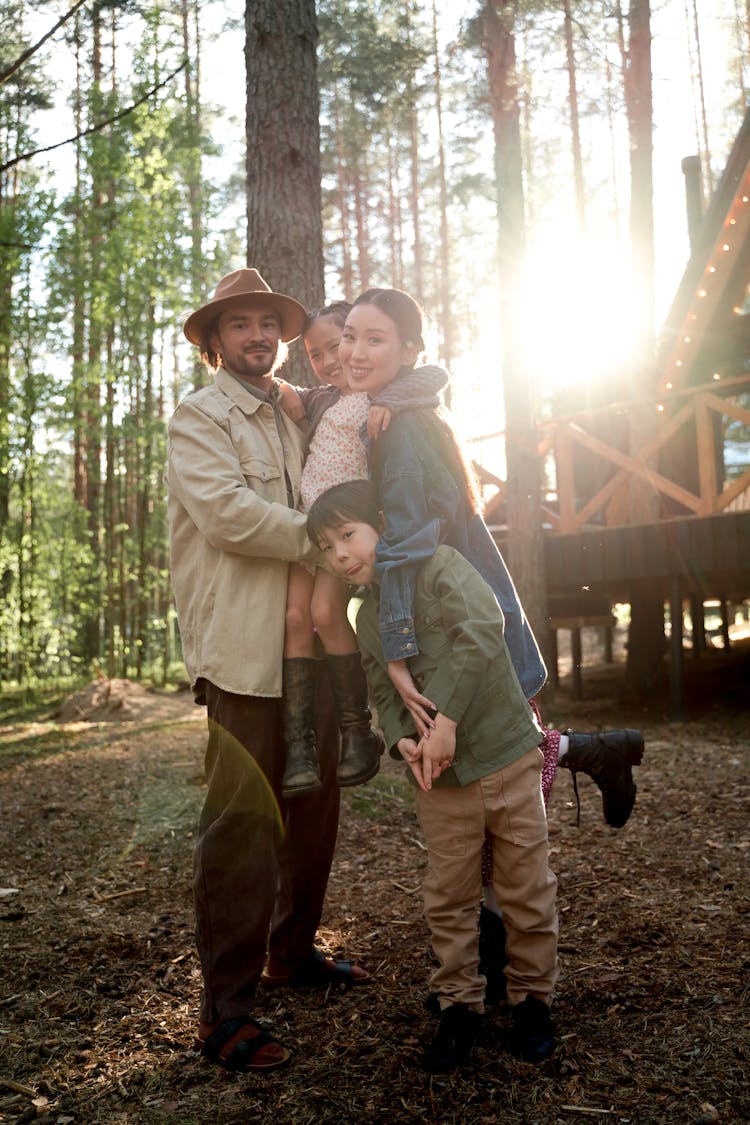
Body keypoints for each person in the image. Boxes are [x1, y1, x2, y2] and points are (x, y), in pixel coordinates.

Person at [336, 287, 645, 1002]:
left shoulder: (405, 427)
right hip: (456, 614)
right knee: (495, 769)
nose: (355, 350)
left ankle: (511, 956)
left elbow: (412, 542)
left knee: (501, 777)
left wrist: (391, 639)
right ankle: (599, 754)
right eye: (350, 335)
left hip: (463, 620)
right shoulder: (395, 412)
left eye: (375, 339)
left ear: (409, 350)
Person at [166, 268, 369, 1075]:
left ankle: (294, 953)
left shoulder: (298, 413)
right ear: (214, 341)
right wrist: (333, 535)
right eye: (239, 325)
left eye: (266, 324)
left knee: (315, 806)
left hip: (314, 650)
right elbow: (229, 514)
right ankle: (226, 1010)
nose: (256, 336)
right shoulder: (199, 417)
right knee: (244, 827)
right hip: (244, 654)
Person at [306, 480, 560, 1072]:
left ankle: (531, 1001)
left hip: (502, 751)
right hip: (439, 781)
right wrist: (401, 738)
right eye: (327, 549)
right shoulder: (366, 615)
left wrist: (443, 720)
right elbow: (379, 682)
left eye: (348, 535)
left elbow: (481, 633)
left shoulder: (441, 565)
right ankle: (459, 1005)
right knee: (448, 897)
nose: (341, 555)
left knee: (527, 889)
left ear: (382, 526)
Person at [274, 302, 447, 800]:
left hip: (344, 532)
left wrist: (390, 398)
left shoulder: (381, 390)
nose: (333, 359)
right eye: (318, 353)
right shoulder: (322, 399)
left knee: (326, 611)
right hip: (310, 528)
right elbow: (288, 394)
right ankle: (299, 746)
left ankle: (358, 731)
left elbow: (432, 375)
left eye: (339, 344)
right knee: (294, 618)